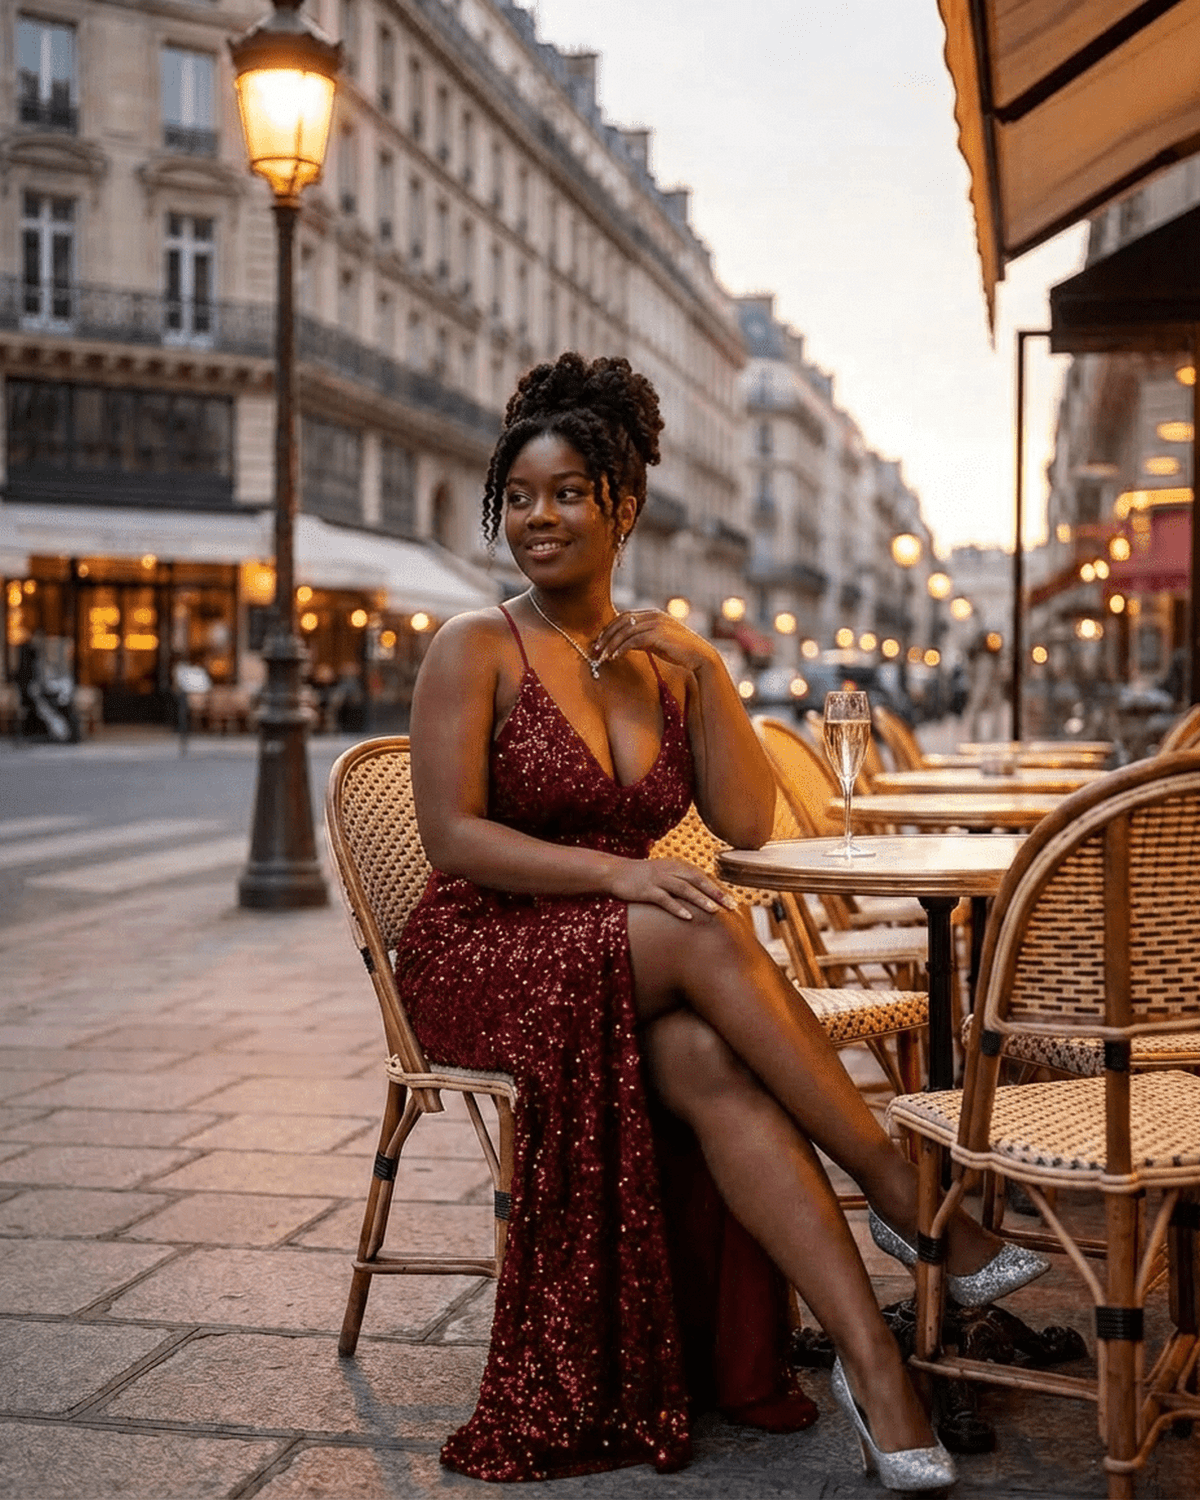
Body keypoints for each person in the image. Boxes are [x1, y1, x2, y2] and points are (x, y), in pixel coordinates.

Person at [399, 353, 1046, 1487]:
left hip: (634, 947)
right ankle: (905, 1194)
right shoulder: (477, 646)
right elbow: (452, 839)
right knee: (699, 921)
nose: (537, 518)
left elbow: (748, 819)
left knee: (706, 1055)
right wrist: (619, 879)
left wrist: (702, 662)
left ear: (625, 506)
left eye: (567, 494)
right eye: (522, 497)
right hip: (487, 944)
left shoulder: (669, 665)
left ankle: (872, 1370)